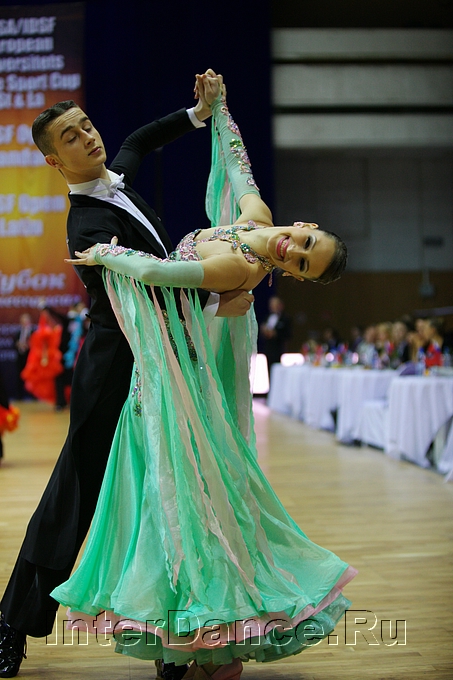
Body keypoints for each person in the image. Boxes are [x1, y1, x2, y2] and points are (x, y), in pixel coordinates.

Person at [51, 74, 353, 680]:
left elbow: (161, 275)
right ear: (305, 222)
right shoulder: (254, 217)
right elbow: (237, 163)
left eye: (302, 263)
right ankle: (193, 634)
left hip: (175, 379)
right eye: (306, 241)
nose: (293, 250)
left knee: (178, 498)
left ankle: (201, 630)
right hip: (166, 370)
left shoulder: (239, 266)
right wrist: (218, 110)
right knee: (171, 498)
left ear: (294, 276)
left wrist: (108, 254)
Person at [0, 71, 254, 680]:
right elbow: (149, 289)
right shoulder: (87, 227)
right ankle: (11, 624)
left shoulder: (116, 182)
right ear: (54, 161)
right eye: (70, 136)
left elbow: (139, 139)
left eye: (86, 125)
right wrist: (219, 296)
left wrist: (198, 115)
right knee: (74, 499)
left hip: (165, 359)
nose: (87, 137)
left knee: (173, 492)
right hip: (115, 372)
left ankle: (175, 636)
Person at [259, 296, 292, 373]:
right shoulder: (267, 317)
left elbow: (288, 334)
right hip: (268, 349)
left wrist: (275, 334)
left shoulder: (285, 319)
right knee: (269, 370)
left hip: (279, 349)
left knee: (278, 370)